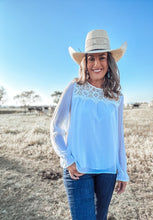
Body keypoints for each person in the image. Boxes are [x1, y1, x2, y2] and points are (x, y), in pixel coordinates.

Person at [50, 29, 129, 220]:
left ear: (109, 62)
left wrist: (123, 171)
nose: (96, 64)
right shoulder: (74, 88)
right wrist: (67, 159)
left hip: (108, 172)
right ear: (84, 62)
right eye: (91, 59)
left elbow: (119, 136)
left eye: (102, 58)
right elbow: (56, 129)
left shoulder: (117, 97)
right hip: (79, 170)